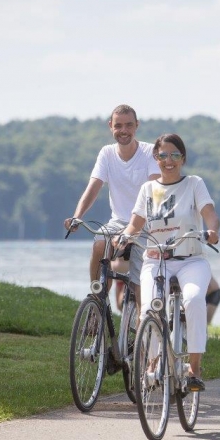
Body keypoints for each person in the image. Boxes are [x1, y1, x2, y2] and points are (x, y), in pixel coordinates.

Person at [120, 133, 220, 391]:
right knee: (148, 312)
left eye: (174, 155)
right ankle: (152, 363)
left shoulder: (194, 184)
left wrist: (212, 231)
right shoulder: (147, 189)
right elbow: (135, 223)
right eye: (162, 155)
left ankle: (194, 369)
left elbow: (210, 215)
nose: (168, 160)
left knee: (195, 300)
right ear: (156, 158)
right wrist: (124, 238)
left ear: (182, 158)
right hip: (155, 260)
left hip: (191, 260)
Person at [64, 104, 160, 302]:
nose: (123, 131)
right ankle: (97, 299)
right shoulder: (107, 153)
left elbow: (153, 191)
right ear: (110, 126)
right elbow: (93, 187)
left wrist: (133, 229)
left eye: (129, 125)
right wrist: (77, 216)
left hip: (145, 224)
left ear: (137, 126)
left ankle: (140, 323)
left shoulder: (150, 152)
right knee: (99, 243)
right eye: (118, 126)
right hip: (117, 222)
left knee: (139, 283)